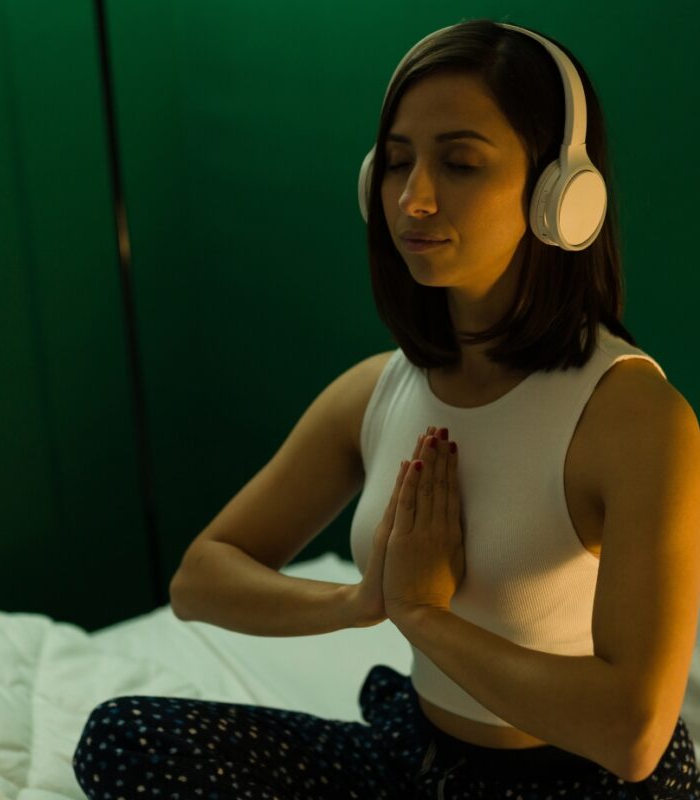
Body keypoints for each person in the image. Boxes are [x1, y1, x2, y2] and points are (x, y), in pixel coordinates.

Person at [72, 17, 700, 799]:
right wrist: (360, 601)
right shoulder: (378, 390)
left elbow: (633, 735)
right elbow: (200, 580)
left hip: (579, 784)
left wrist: (424, 616)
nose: (413, 198)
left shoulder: (634, 418)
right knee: (123, 739)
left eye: (460, 163)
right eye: (397, 163)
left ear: (560, 193)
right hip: (419, 754)